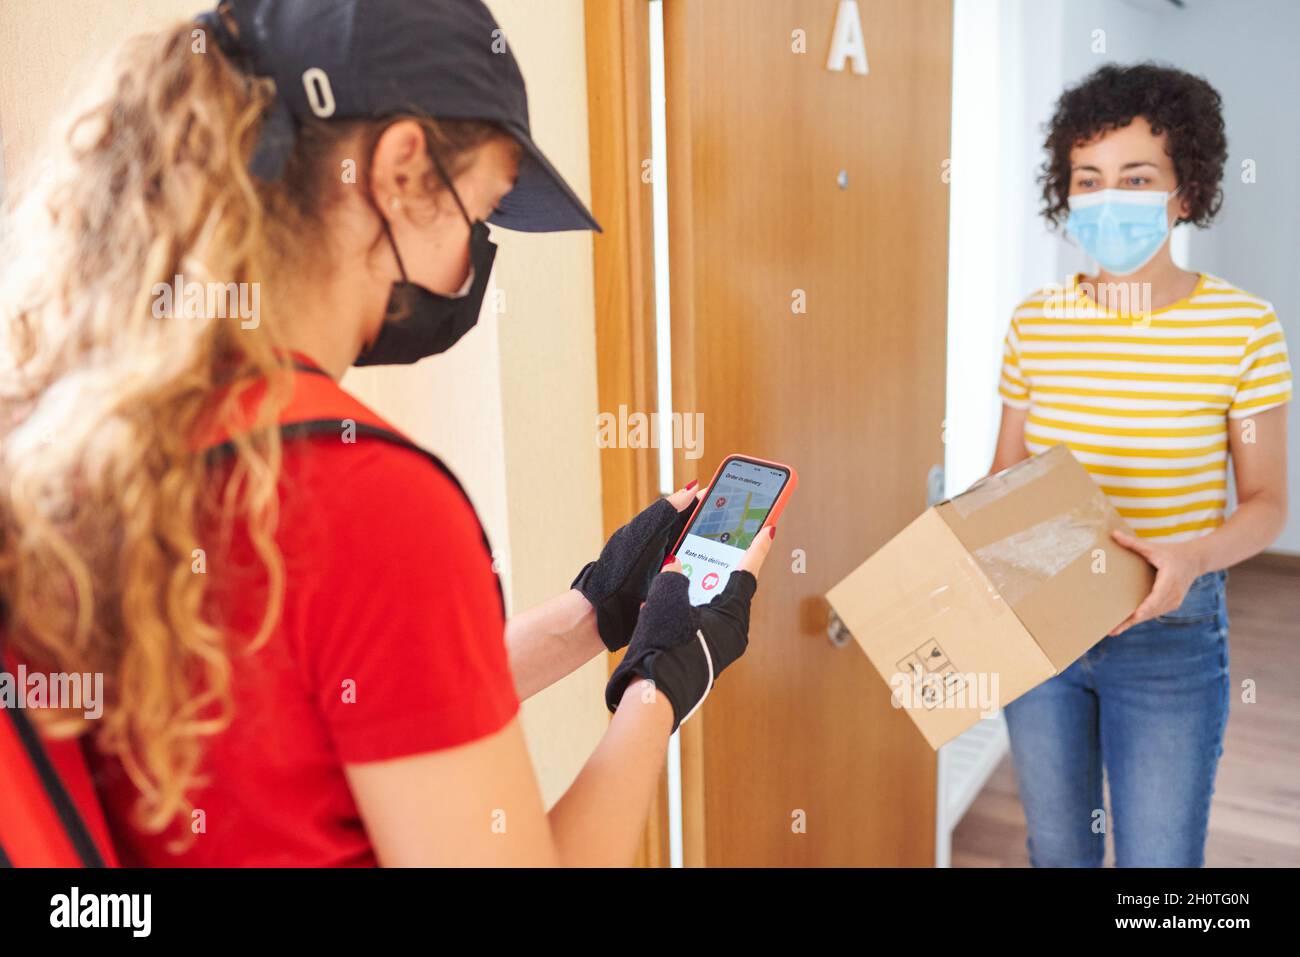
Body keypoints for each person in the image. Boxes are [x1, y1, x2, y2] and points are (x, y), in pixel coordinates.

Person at [0, 0, 773, 866]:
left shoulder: (83, 433)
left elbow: (338, 720)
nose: (470, 262)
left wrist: (596, 611)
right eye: (478, 212)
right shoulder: (366, 496)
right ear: (402, 170)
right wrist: (662, 685)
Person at [989, 63, 1291, 866]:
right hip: (1044, 628)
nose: (1107, 197)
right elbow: (1003, 480)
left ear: (1185, 191)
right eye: (1088, 178)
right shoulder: (1035, 323)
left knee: (1161, 867)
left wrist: (1191, 557)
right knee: (1058, 851)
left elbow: (1265, 502)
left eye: (1136, 178)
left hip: (1172, 634)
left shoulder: (1245, 328)